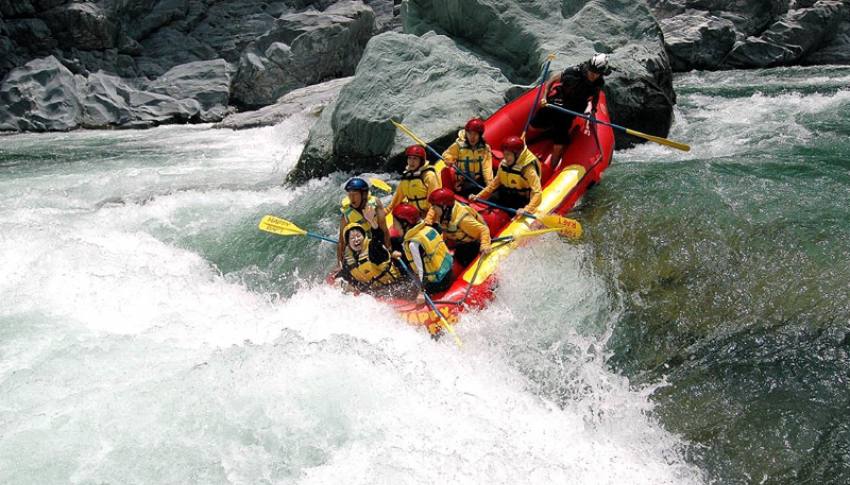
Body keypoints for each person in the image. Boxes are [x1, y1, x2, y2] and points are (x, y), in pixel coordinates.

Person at [530, 53, 612, 170]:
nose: (593, 76)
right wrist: (544, 96)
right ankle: (550, 130)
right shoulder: (573, 72)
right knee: (533, 127)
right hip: (558, 101)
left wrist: (593, 110)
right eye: (591, 72)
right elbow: (551, 81)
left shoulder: (598, 82)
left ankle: (550, 170)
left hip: (573, 109)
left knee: (558, 144)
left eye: (596, 74)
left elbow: (596, 96)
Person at [470, 136, 542, 217]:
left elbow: (537, 192)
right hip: (504, 194)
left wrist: (527, 209)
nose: (505, 157)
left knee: (512, 214)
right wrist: (479, 196)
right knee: (487, 205)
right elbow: (493, 184)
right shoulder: (504, 164)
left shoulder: (528, 169)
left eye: (508, 154)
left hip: (520, 200)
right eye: (504, 154)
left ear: (517, 154)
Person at [392, 203, 454, 295]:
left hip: (438, 283)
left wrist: (421, 292)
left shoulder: (414, 244)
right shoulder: (429, 229)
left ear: (405, 224)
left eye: (395, 223)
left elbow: (421, 271)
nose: (394, 227)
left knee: (409, 296)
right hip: (448, 274)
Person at [338, 223, 411, 297]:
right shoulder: (349, 260)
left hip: (396, 287)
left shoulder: (373, 248)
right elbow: (345, 276)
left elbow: (378, 238)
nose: (356, 240)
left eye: (358, 236)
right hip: (374, 293)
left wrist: (375, 226)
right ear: (348, 243)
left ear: (364, 236)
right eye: (352, 238)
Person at [424, 188, 491, 267]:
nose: (433, 209)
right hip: (459, 244)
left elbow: (483, 230)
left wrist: (485, 245)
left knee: (464, 255)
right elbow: (446, 230)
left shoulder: (463, 219)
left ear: (444, 206)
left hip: (473, 245)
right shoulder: (444, 213)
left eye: (434, 206)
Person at [337, 177, 391, 268]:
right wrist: (339, 262)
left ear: (364, 195)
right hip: (360, 245)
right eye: (349, 195)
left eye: (354, 195)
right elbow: (342, 242)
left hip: (376, 240)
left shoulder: (375, 204)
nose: (351, 198)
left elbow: (384, 230)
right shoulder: (346, 214)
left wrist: (389, 251)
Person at [441, 118, 493, 197]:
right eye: (470, 134)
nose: (472, 137)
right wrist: (449, 159)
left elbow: (487, 168)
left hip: (478, 180)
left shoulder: (485, 148)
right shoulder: (458, 145)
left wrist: (489, 186)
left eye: (475, 134)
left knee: (489, 191)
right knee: (469, 188)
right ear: (466, 133)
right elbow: (446, 154)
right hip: (463, 180)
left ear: (480, 135)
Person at [387, 145, 440, 217]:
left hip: (429, 213)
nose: (411, 162)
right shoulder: (406, 177)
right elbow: (397, 198)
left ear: (421, 161)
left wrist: (429, 218)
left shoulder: (429, 176)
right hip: (414, 214)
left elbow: (435, 201)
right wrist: (386, 211)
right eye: (409, 158)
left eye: (415, 159)